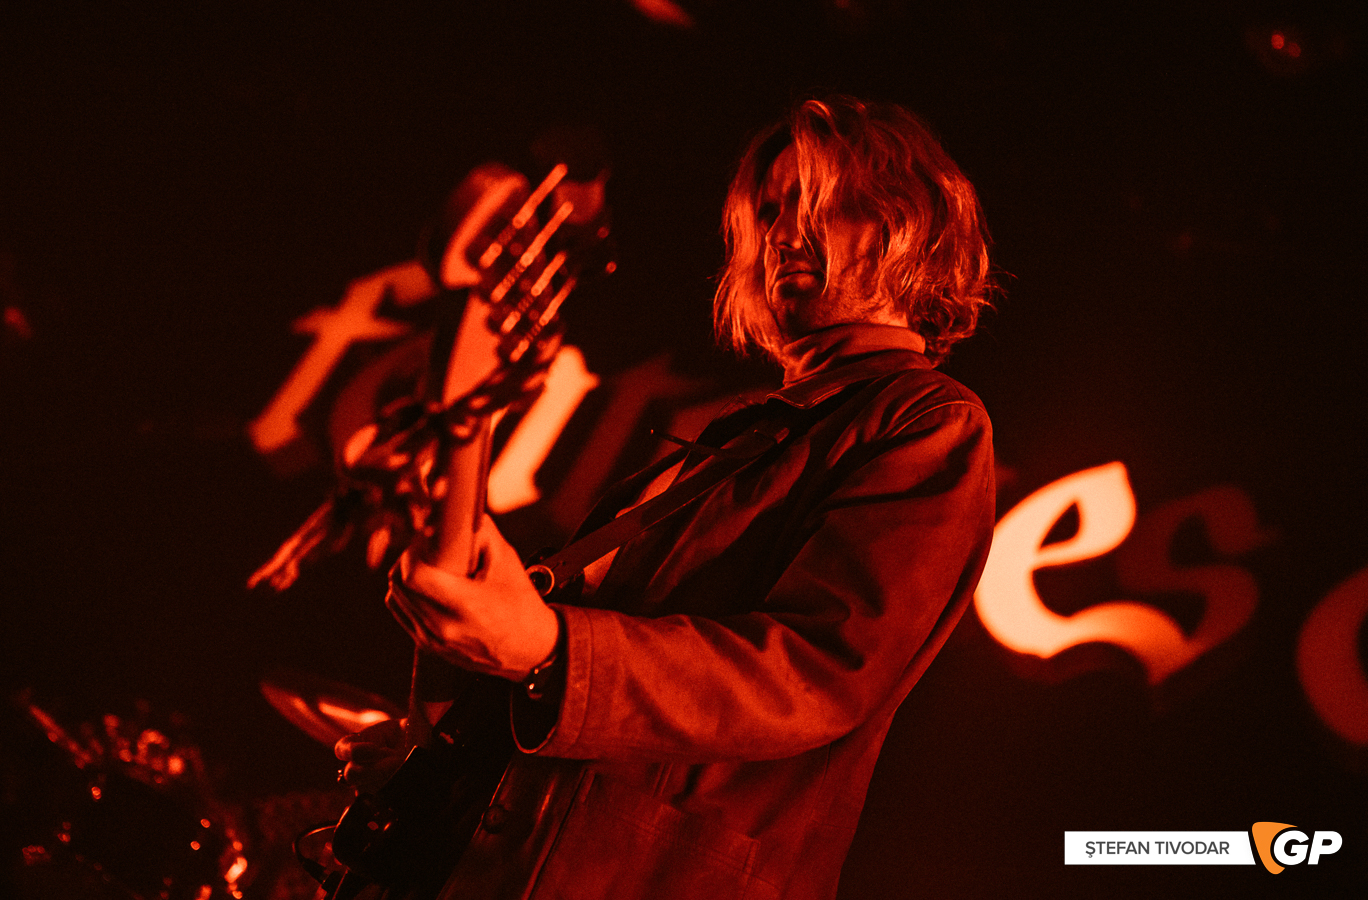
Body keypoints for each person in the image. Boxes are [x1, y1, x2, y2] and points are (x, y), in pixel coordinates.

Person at [337, 94, 997, 900]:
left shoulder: (929, 420)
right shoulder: (741, 436)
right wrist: (459, 749)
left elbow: (816, 672)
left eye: (822, 204)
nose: (785, 233)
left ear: (909, 226)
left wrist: (549, 646)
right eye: (770, 210)